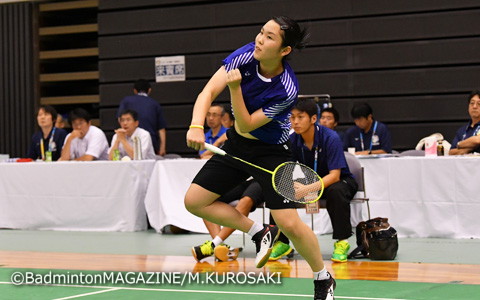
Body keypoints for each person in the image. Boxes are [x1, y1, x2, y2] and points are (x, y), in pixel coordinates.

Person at [184, 16, 336, 300]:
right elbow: (207, 91)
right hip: (237, 146)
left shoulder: (286, 88)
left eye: (269, 37)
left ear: (284, 50)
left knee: (289, 224)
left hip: (272, 154)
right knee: (194, 201)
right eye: (260, 32)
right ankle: (258, 231)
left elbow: (244, 123)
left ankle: (322, 277)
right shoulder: (245, 55)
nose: (259, 40)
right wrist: (195, 124)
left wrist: (234, 89)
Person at [271, 98, 358, 263]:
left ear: (313, 119)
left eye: (300, 117)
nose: (295, 122)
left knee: (336, 191)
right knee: (279, 193)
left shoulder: (330, 137)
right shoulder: (293, 140)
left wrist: (307, 188)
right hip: (311, 182)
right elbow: (287, 168)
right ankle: (282, 242)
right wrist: (292, 185)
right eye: (292, 117)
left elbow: (335, 176)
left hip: (340, 181)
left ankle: (342, 242)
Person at [192, 180, 264, 262]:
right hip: (246, 179)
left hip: (263, 180)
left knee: (246, 200)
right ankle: (220, 248)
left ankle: (213, 245)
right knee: (206, 202)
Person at [118, 79, 168, 156]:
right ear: (149, 90)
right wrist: (162, 148)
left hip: (129, 139)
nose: (125, 122)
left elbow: (119, 118)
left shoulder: (126, 101)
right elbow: (161, 129)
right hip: (151, 140)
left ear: (134, 90)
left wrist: (124, 133)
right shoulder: (155, 104)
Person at [449, 90, 480, 155]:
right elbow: (451, 152)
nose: (474, 106)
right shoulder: (462, 130)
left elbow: (477, 140)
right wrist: (470, 148)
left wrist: (459, 144)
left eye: (479, 104)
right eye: (472, 103)